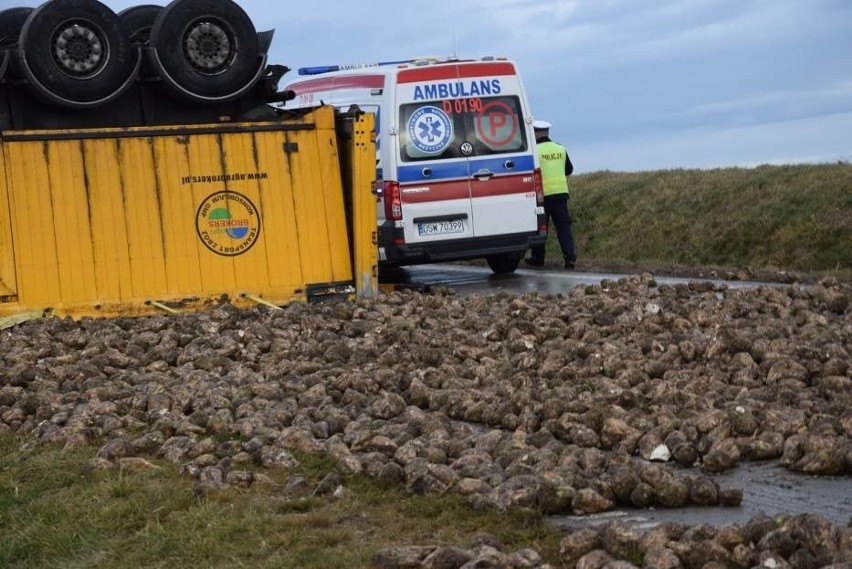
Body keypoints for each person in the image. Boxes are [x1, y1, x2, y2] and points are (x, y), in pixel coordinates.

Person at [525, 120, 577, 270]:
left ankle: (538, 258)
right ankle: (570, 259)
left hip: (542, 195)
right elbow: (569, 169)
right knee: (563, 228)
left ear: (536, 133)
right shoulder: (560, 149)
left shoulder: (535, 151)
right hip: (560, 194)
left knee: (541, 228)